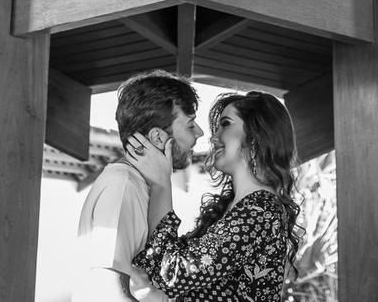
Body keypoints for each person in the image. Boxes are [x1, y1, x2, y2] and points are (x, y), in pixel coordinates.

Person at [125, 91, 302, 302]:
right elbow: (161, 264)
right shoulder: (237, 210)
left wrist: (161, 183)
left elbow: (173, 274)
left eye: (225, 124)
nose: (213, 137)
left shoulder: (260, 211)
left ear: (256, 136)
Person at [73, 70, 204, 302]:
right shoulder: (123, 186)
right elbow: (105, 292)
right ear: (157, 137)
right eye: (190, 124)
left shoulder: (139, 186)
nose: (200, 133)